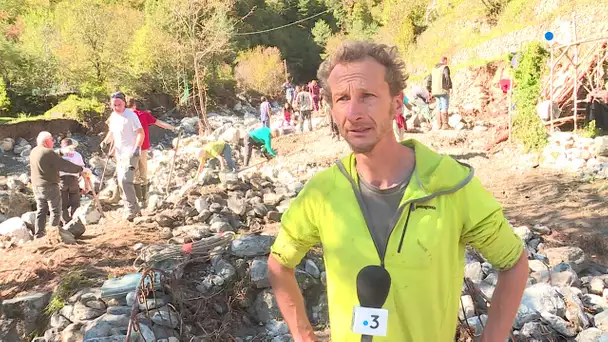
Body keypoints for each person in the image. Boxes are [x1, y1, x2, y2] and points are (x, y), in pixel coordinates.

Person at [267, 41, 528, 342]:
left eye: (367, 96)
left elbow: (514, 262)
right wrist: (303, 336)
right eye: (342, 98)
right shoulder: (322, 193)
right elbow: (279, 264)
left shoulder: (449, 185)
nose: (353, 112)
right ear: (331, 109)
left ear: (396, 102)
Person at [101, 91, 145, 221]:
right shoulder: (113, 117)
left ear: (124, 103)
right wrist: (105, 142)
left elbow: (140, 133)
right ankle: (134, 209)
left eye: (119, 104)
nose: (116, 107)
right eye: (114, 105)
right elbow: (113, 133)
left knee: (126, 180)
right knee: (121, 182)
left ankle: (131, 209)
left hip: (132, 153)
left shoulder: (131, 116)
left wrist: (137, 148)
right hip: (120, 155)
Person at [30, 132, 83, 238]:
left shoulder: (34, 151)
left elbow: (50, 157)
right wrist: (80, 169)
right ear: (46, 141)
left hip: (36, 186)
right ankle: (52, 235)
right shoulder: (48, 153)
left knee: (41, 211)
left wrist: (61, 152)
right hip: (49, 185)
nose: (53, 142)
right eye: (52, 140)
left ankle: (39, 234)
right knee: (55, 211)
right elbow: (64, 165)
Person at [127, 98, 177, 207]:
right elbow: (159, 123)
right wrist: (173, 128)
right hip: (142, 147)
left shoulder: (123, 117)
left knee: (133, 173)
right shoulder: (143, 115)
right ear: (135, 105)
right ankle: (143, 199)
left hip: (128, 149)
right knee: (143, 171)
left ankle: (136, 199)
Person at [58, 138, 86, 224]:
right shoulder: (77, 155)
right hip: (74, 180)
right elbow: (82, 170)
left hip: (62, 180)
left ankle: (66, 222)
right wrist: (85, 183)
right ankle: (76, 221)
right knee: (75, 203)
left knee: (63, 204)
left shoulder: (58, 155)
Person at [429, 56, 453, 130]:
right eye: (447, 61)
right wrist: (450, 87)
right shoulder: (444, 67)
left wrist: (429, 89)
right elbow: (447, 77)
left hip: (435, 91)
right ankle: (445, 125)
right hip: (443, 90)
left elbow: (429, 79)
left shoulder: (433, 69)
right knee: (444, 106)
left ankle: (439, 125)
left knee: (438, 107)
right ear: (445, 61)